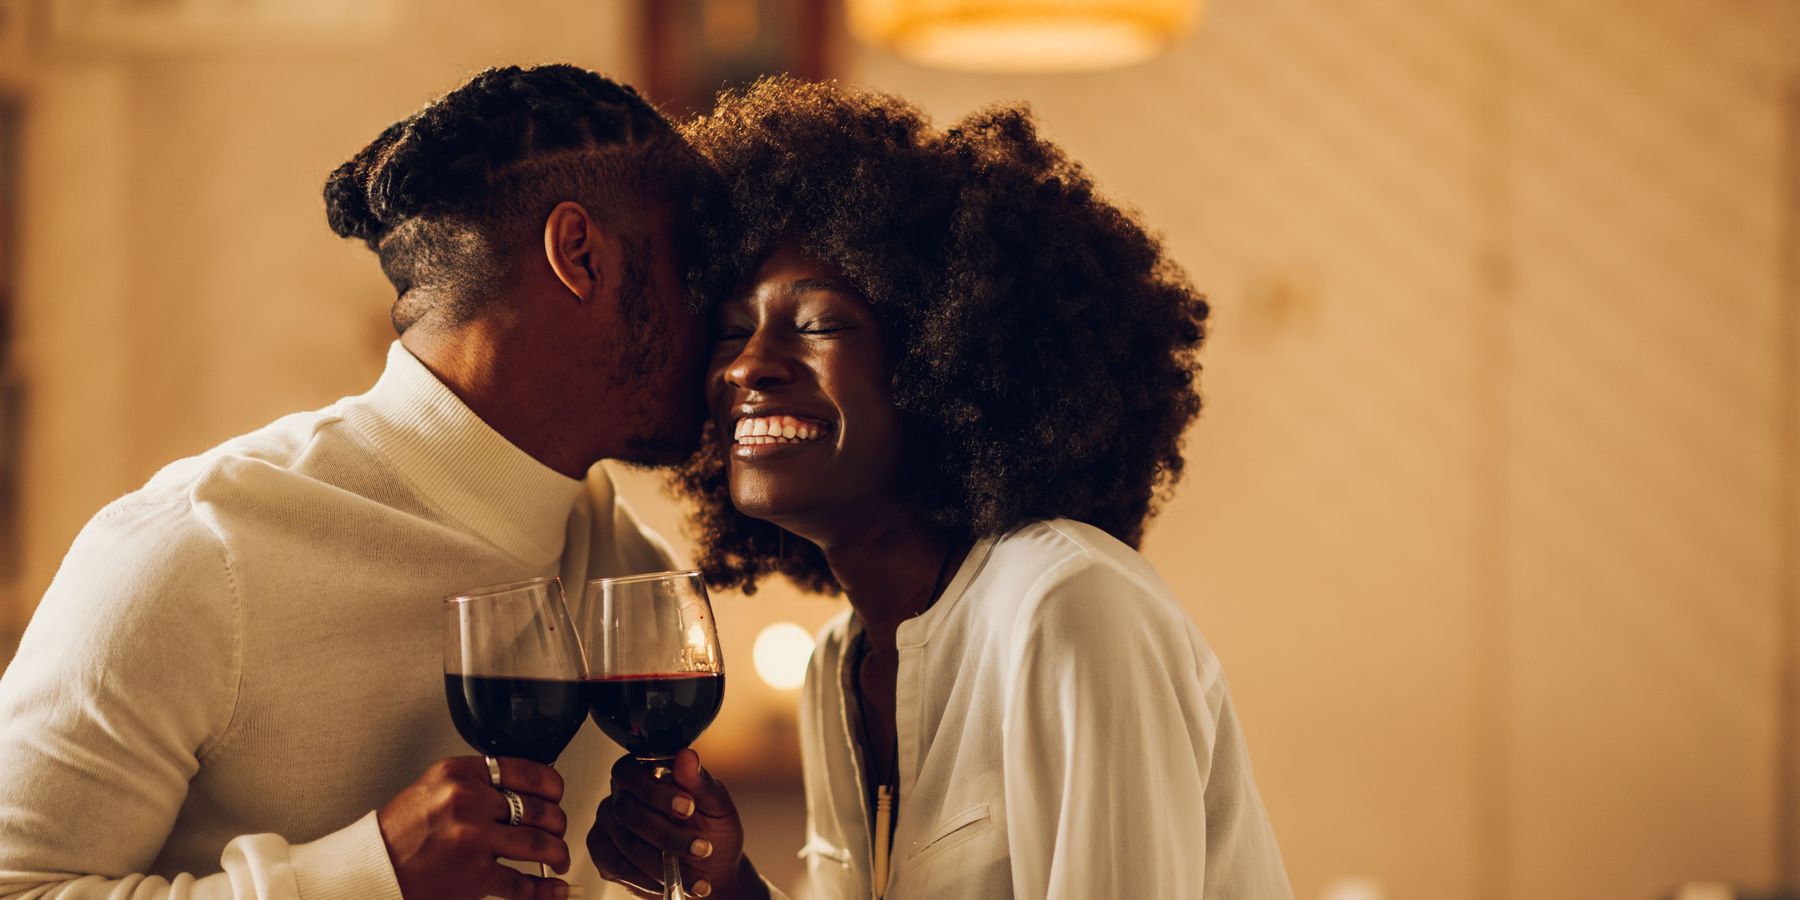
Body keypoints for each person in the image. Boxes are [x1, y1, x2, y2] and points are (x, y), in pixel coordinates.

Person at [0, 64, 712, 900]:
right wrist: (365, 879)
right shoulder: (197, 550)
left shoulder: (632, 573)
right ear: (579, 257)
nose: (733, 320)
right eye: (698, 268)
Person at [590, 78, 1294, 899]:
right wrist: (726, 883)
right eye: (732, 331)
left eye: (817, 324)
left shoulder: (1068, 605)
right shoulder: (840, 666)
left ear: (943, 359)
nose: (748, 364)